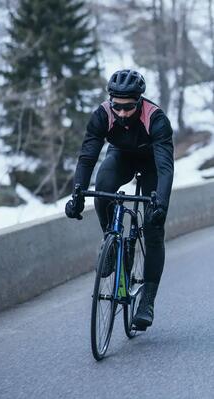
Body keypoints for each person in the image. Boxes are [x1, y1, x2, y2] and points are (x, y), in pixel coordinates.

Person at [65, 69, 174, 329]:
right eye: (118, 107)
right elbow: (88, 157)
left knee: (153, 228)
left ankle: (147, 299)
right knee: (102, 189)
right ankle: (110, 243)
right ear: (111, 101)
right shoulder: (102, 115)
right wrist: (77, 194)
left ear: (139, 102)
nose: (123, 113)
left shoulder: (156, 118)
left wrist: (161, 205)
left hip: (152, 164)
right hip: (121, 157)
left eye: (129, 107)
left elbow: (165, 168)